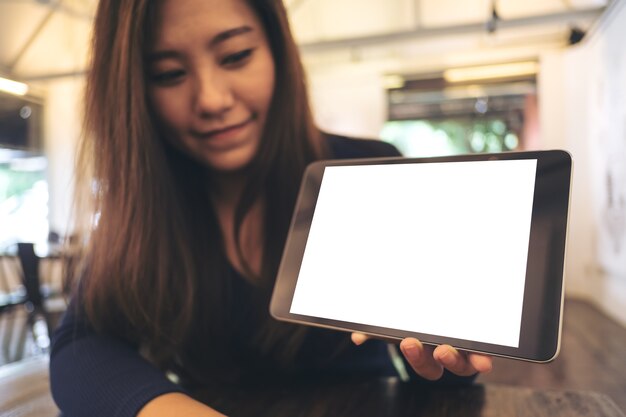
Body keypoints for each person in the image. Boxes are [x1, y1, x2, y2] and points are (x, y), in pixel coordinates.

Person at [49, 0, 493, 416]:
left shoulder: (365, 170)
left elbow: (439, 372)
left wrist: (448, 359)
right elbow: (79, 347)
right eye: (168, 74)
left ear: (279, 50)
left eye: (236, 56)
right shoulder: (147, 208)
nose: (212, 100)